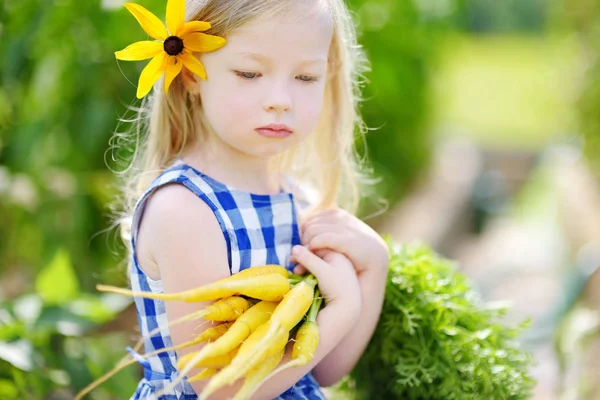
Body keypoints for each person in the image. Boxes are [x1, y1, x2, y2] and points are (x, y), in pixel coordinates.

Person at [111, 0, 389, 398]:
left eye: (306, 77)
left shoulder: (298, 199)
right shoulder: (185, 211)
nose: (281, 99)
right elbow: (220, 388)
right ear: (191, 74)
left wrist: (373, 268)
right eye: (250, 73)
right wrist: (342, 307)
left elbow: (324, 368)